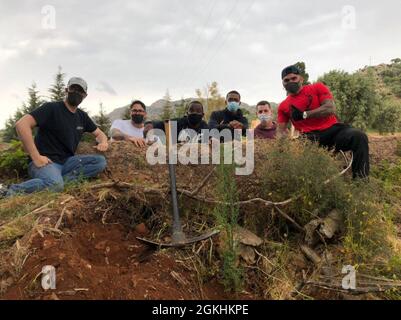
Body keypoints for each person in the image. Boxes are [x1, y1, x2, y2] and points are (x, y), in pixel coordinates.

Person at [0, 77, 109, 198]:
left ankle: (58, 181)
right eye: (74, 89)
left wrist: (103, 142)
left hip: (67, 162)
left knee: (100, 162)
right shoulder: (51, 108)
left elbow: (100, 134)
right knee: (55, 185)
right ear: (66, 90)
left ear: (85, 95)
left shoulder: (82, 116)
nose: (76, 93)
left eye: (80, 91)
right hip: (45, 162)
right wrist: (35, 156)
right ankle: (7, 190)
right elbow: (21, 124)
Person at [277, 65, 370, 179]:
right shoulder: (283, 106)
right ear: (283, 84)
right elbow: (281, 131)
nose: (290, 82)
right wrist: (282, 146)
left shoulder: (317, 87)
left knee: (359, 136)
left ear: (301, 79)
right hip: (309, 138)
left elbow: (330, 108)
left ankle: (361, 182)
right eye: (286, 80)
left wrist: (304, 115)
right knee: (298, 153)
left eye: (293, 78)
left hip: (333, 131)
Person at [144, 100, 209, 143]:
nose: (194, 113)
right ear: (187, 113)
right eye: (191, 110)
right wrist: (149, 125)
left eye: (198, 111)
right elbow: (160, 124)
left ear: (202, 115)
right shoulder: (178, 123)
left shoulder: (205, 127)